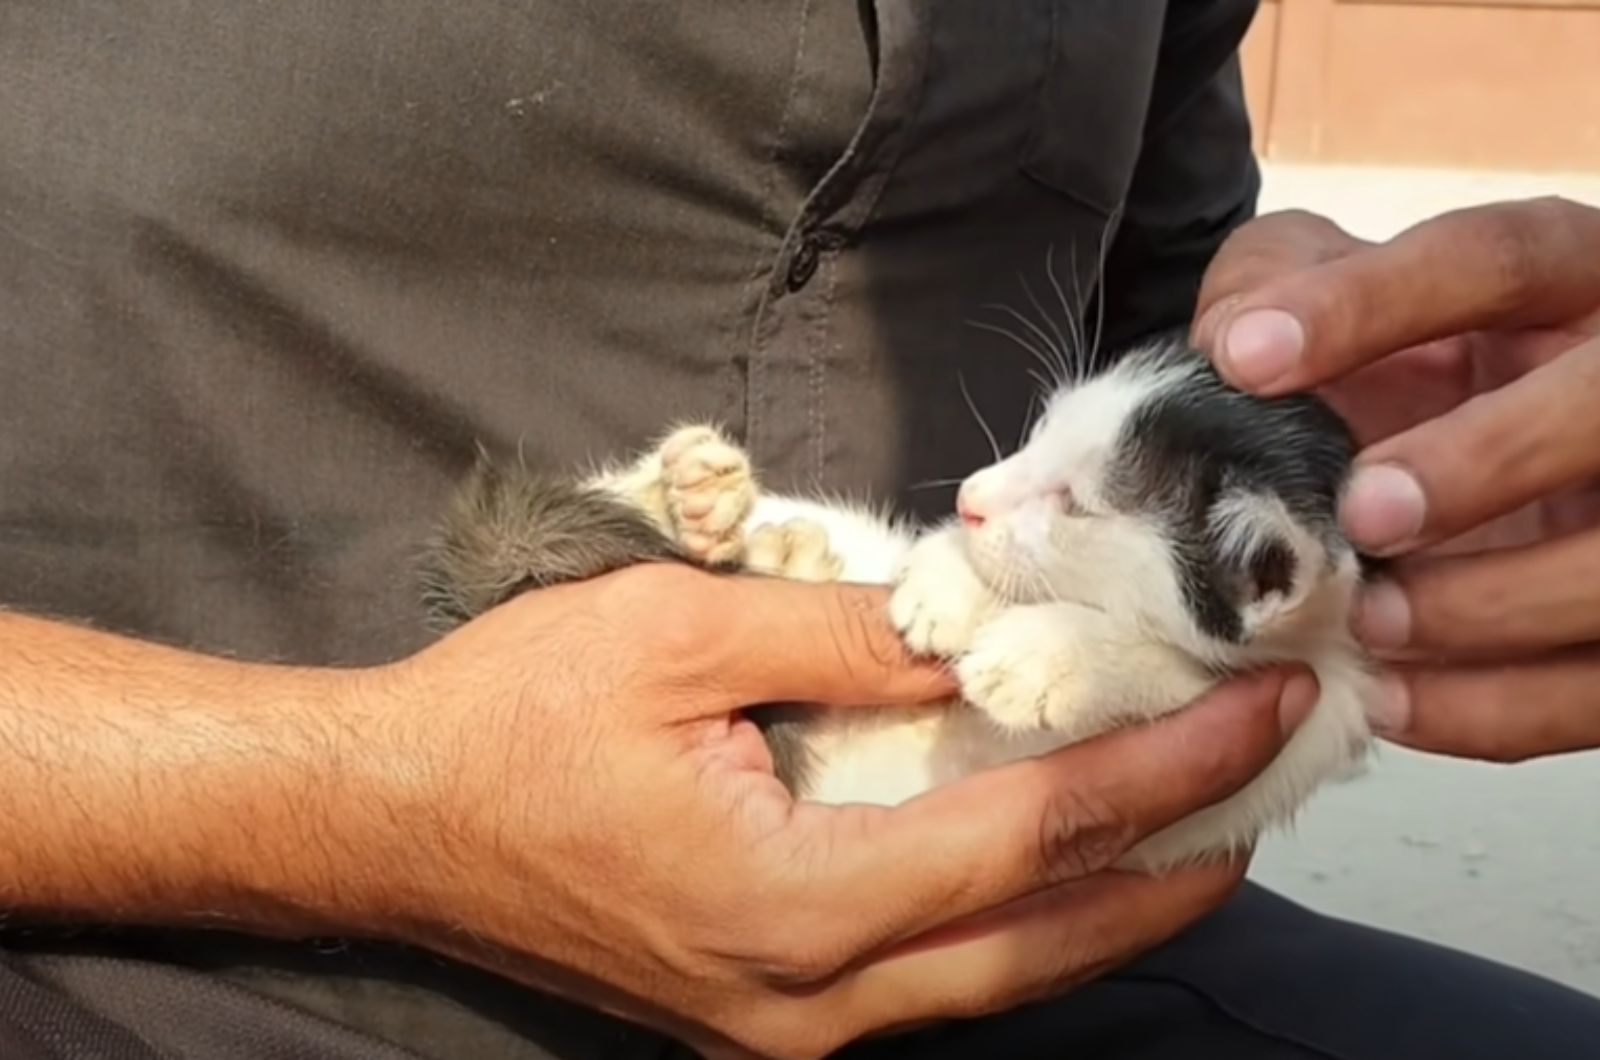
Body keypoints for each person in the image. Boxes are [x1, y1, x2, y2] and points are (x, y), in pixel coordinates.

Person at [0, 2, 1596, 1058]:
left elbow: (1168, 314)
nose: (986, 485)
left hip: (1017, 951)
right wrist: (356, 801)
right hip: (164, 974)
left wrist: (1397, 426)